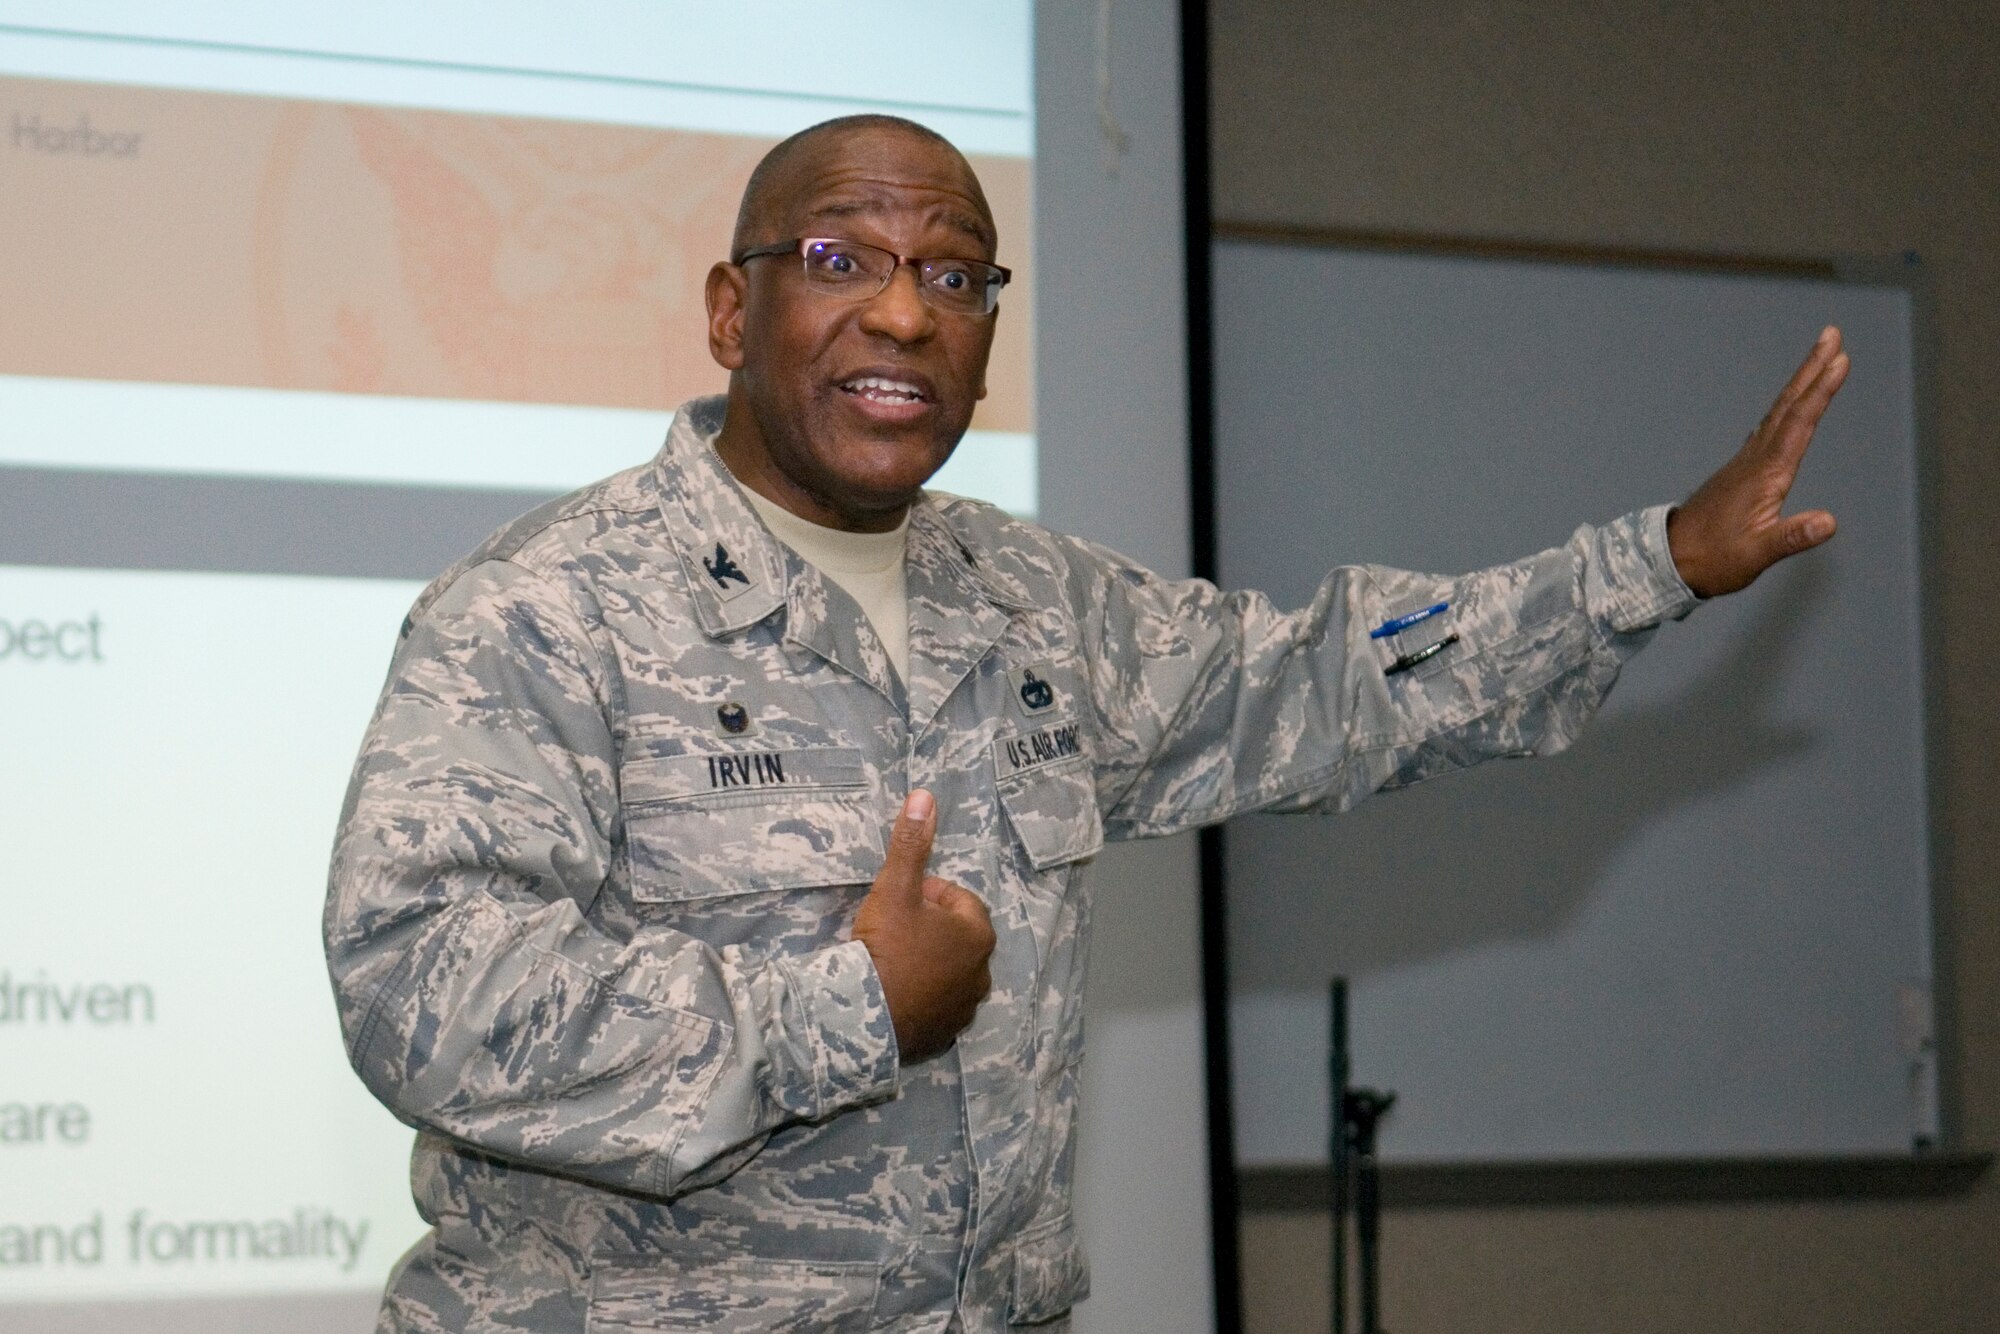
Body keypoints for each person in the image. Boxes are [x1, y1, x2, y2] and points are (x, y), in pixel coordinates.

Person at [323, 113, 1844, 1333]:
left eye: (958, 274)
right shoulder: (549, 608)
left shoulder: (1036, 601)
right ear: (735, 310)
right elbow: (424, 990)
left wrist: (1648, 568)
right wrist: (847, 1008)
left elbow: (1321, 678)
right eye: (842, 255)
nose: (906, 311)